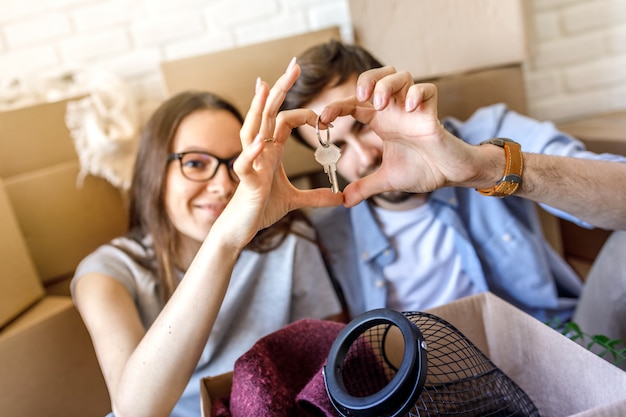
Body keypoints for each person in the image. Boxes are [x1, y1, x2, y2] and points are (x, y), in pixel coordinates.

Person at [279, 40, 626, 325]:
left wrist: (483, 168)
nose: (364, 156)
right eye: (335, 148)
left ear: (392, 96)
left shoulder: (488, 134)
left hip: (553, 347)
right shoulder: (329, 230)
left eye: (361, 126)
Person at [70, 59, 344, 417]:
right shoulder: (108, 273)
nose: (222, 186)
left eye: (235, 164)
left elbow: (331, 370)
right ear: (155, 172)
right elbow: (134, 410)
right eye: (196, 163)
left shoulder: (288, 244)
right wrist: (224, 240)